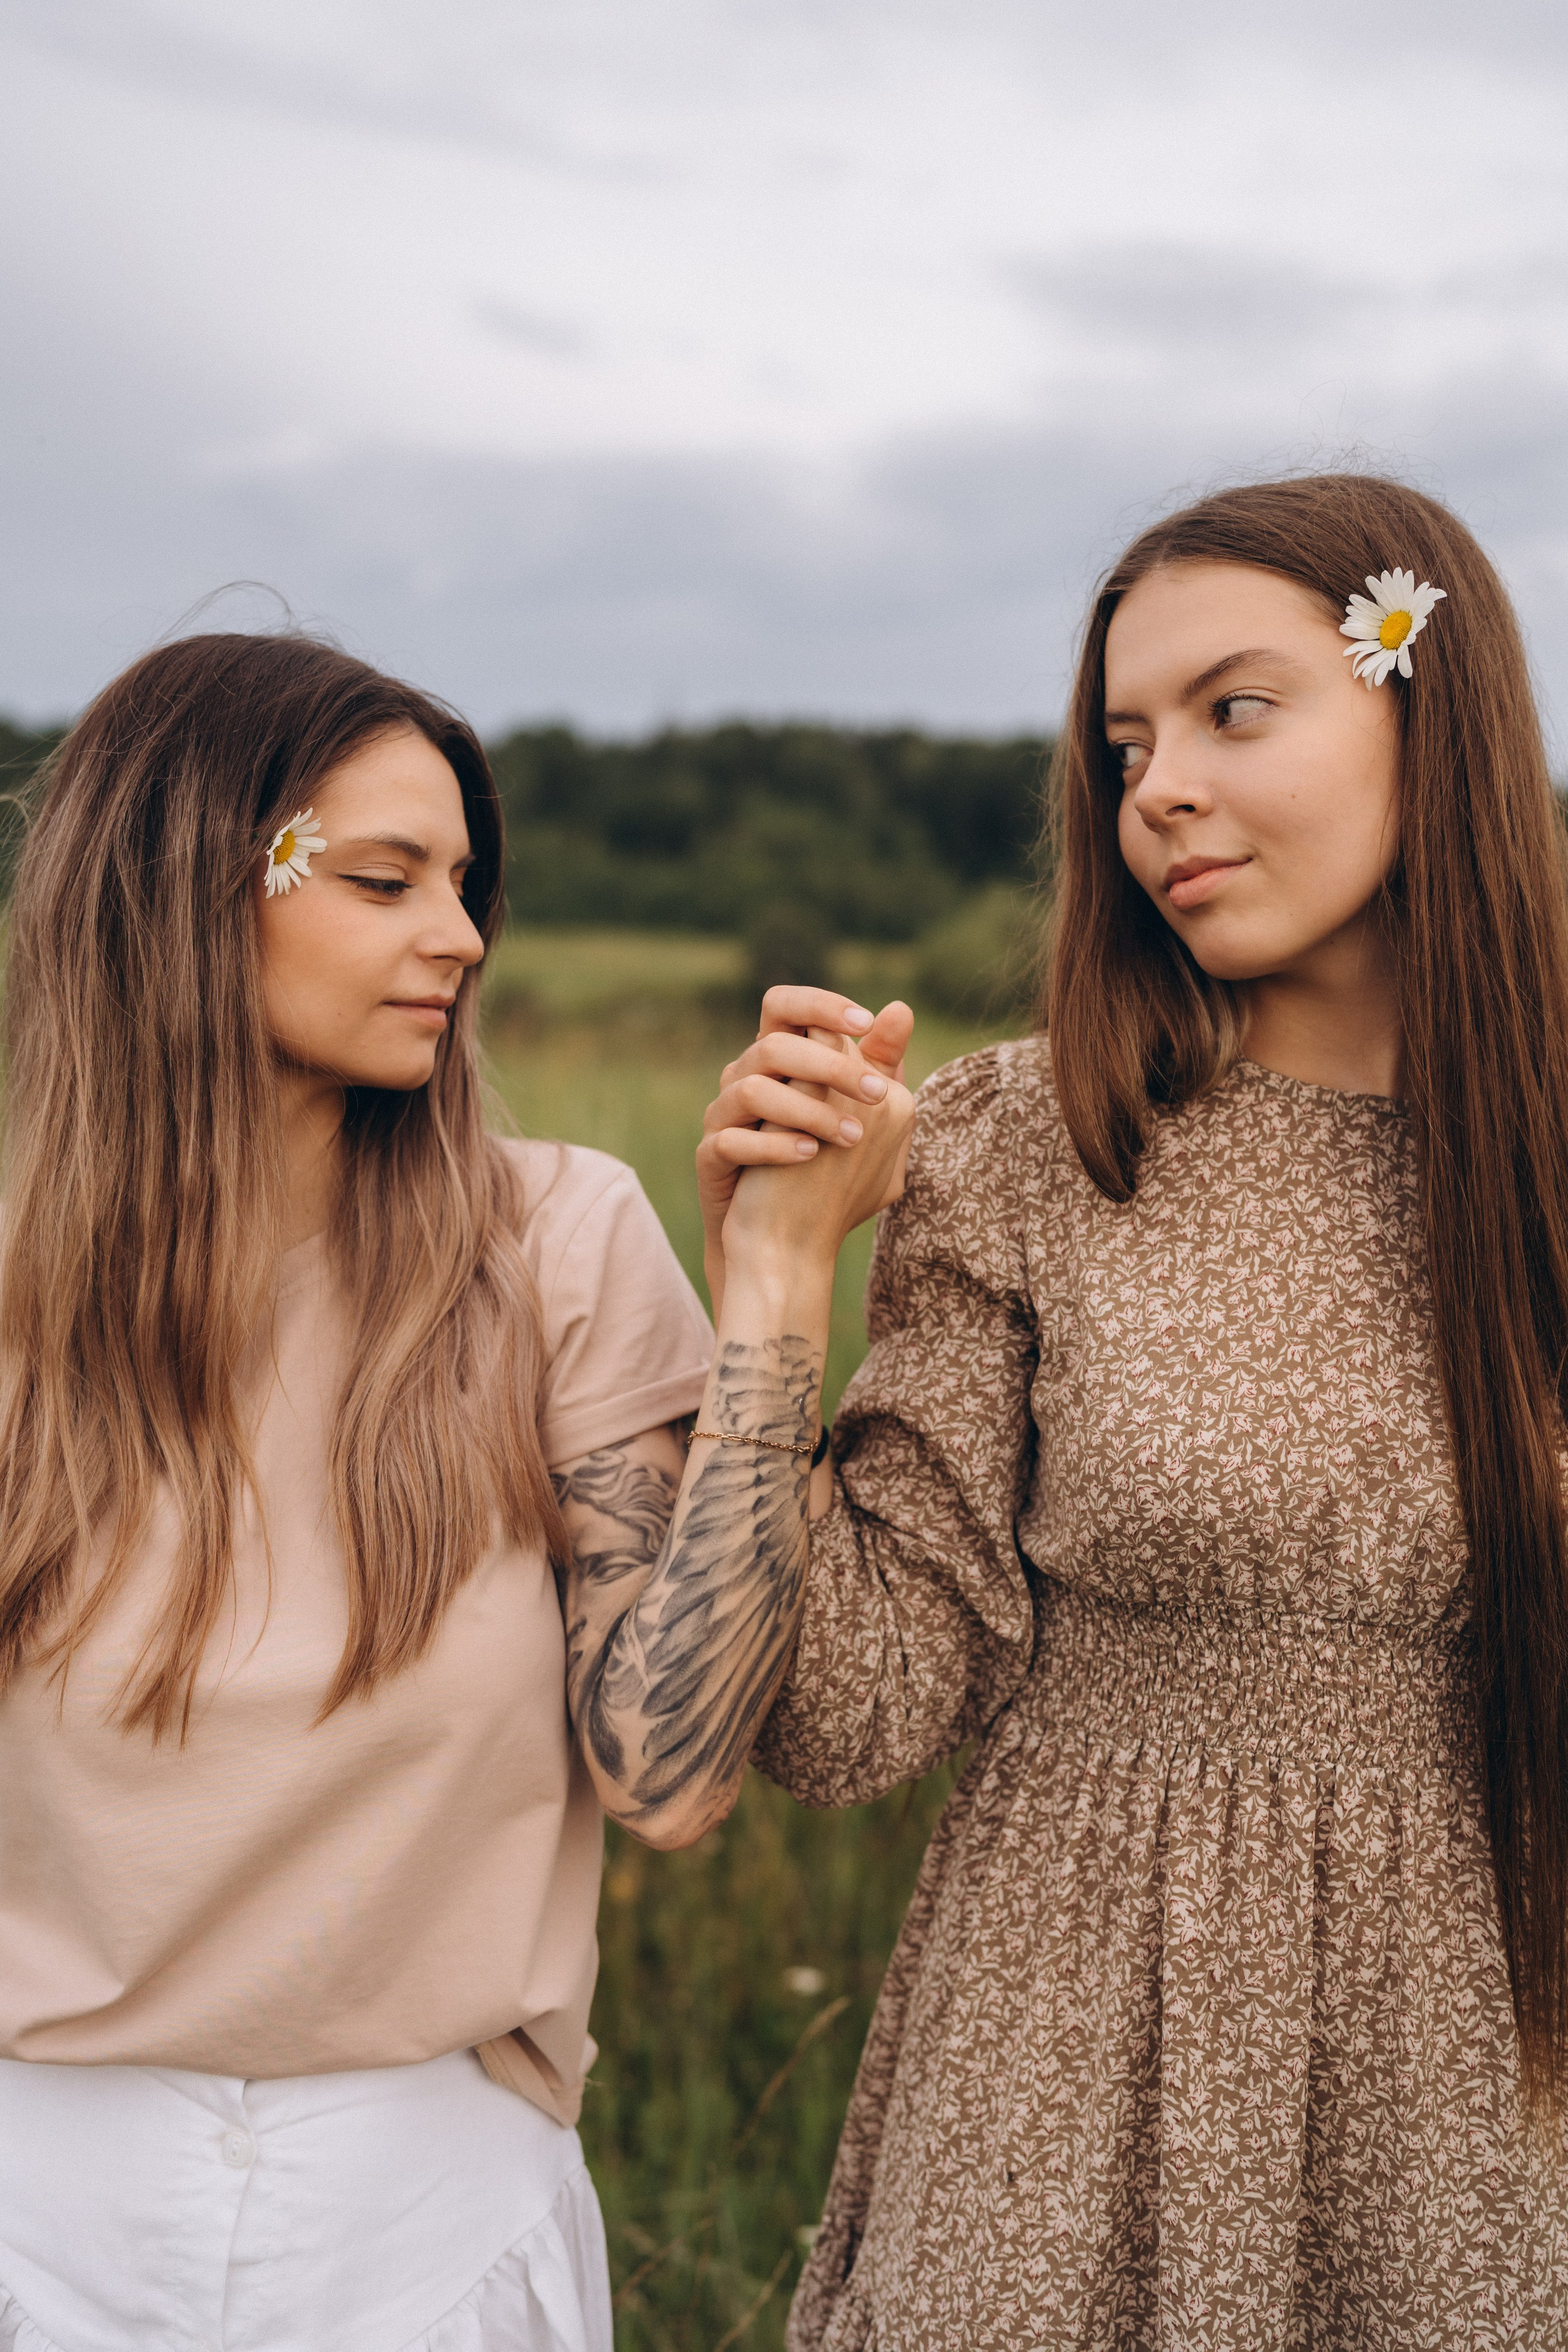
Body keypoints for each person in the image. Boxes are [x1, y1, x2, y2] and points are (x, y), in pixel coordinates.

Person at [698, 474, 1568, 2348]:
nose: (1158, 787)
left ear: (1432, 711)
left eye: (1233, 710)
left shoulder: (1548, 1172)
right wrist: (773, 1280)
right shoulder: (1032, 1142)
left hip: (1474, 2097)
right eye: (1124, 745)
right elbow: (846, 1719)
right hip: (1065, 2074)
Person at [0, 631, 914, 2352]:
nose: (464, 936)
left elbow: (670, 1777)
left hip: (429, 2223)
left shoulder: (555, 1241)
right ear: (180, 895)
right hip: (37, 2229)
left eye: (466, 883)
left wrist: (782, 1283)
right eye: (385, 880)